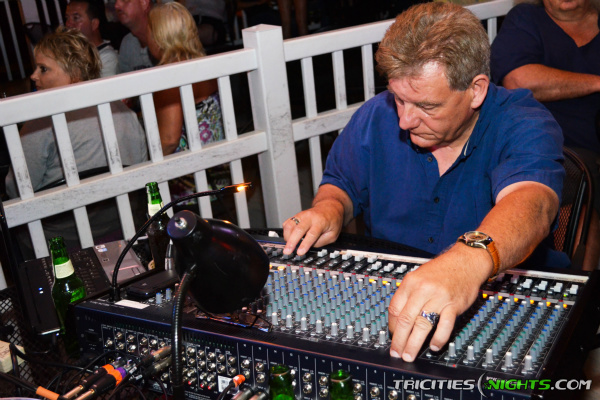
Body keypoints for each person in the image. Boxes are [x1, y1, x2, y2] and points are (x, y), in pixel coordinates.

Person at [282, 2, 566, 363]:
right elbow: (341, 183)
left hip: (503, 299)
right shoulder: (376, 115)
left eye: (426, 106)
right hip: (395, 294)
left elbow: (532, 203)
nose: (404, 120)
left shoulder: (525, 123)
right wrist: (329, 208)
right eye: (399, 99)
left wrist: (465, 264)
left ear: (476, 90)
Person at [4, 27, 148, 253]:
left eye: (43, 69)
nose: (33, 75)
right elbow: (141, 171)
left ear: (75, 73)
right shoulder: (123, 111)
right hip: (123, 227)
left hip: (60, 240)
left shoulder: (39, 122)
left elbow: (17, 189)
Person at [490, 0, 600, 269]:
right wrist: (597, 82)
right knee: (581, 182)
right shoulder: (526, 19)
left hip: (592, 143)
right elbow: (519, 80)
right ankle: (578, 284)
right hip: (550, 145)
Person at [147, 1, 224, 155]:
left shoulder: (171, 76)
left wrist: (150, 163)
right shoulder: (205, 66)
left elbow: (169, 140)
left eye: (148, 30)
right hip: (219, 160)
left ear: (158, 37)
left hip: (191, 166)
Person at [65, 0, 120, 77]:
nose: (68, 24)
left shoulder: (107, 58)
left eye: (76, 18)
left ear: (94, 24)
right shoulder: (67, 52)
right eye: (67, 18)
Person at [115, 0, 154, 72]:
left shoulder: (168, 37)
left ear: (144, 2)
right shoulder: (127, 43)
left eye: (124, 0)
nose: (116, 5)